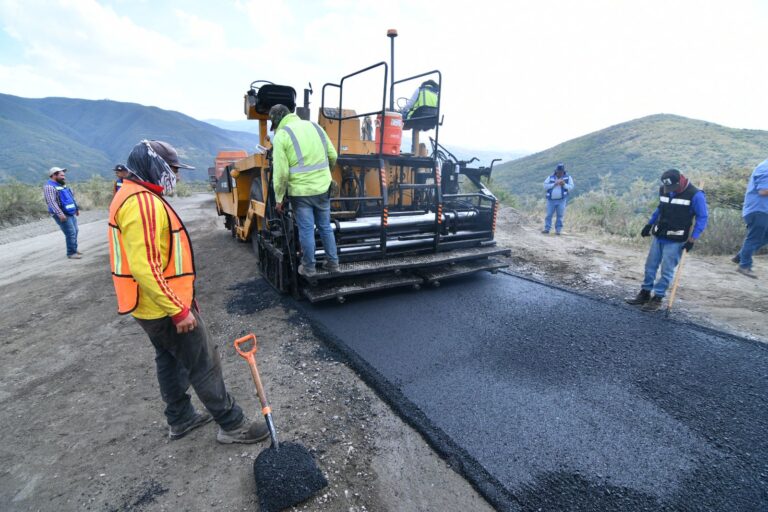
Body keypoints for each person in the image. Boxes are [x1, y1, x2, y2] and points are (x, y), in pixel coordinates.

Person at [108, 140, 268, 444]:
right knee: (203, 360)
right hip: (162, 307)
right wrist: (178, 309)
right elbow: (146, 267)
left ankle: (180, 419)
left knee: (169, 360)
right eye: (174, 169)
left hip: (149, 306)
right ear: (155, 167)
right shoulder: (142, 203)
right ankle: (232, 424)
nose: (177, 177)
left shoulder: (129, 195)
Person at [269, 104, 340, 277]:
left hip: (301, 194)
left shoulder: (281, 135)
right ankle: (333, 264)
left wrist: (279, 199)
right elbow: (333, 156)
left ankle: (309, 268)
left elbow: (281, 173)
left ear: (276, 121)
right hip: (323, 188)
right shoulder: (316, 127)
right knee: (325, 226)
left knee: (307, 229)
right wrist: (324, 175)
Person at [626, 169, 709, 311]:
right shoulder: (664, 190)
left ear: (680, 181)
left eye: (672, 187)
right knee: (650, 265)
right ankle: (645, 293)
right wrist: (649, 224)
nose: (669, 190)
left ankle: (657, 297)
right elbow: (660, 208)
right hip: (659, 235)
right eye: (667, 187)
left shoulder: (695, 195)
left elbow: (702, 218)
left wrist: (692, 239)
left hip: (676, 239)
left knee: (667, 269)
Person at [732, 158, 768, 278]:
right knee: (754, 237)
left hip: (762, 209)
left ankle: (741, 256)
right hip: (758, 209)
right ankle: (745, 266)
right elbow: (763, 191)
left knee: (762, 237)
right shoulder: (765, 167)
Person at [43, 166, 82, 259]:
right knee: (71, 232)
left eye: (63, 175)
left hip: (69, 212)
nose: (64, 177)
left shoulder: (62, 185)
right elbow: (51, 202)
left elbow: (71, 198)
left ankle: (74, 249)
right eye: (61, 175)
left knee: (75, 231)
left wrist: (76, 209)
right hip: (61, 214)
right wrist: (60, 214)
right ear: (53, 175)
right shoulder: (49, 187)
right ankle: (71, 253)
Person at [542, 163, 574, 235]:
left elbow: (571, 187)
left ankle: (558, 230)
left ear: (563, 172)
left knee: (560, 215)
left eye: (561, 172)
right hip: (551, 200)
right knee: (549, 215)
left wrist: (564, 185)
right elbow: (545, 186)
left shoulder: (568, 178)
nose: (560, 173)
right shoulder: (550, 178)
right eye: (558, 172)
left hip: (561, 200)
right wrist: (554, 184)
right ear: (556, 171)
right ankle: (547, 229)